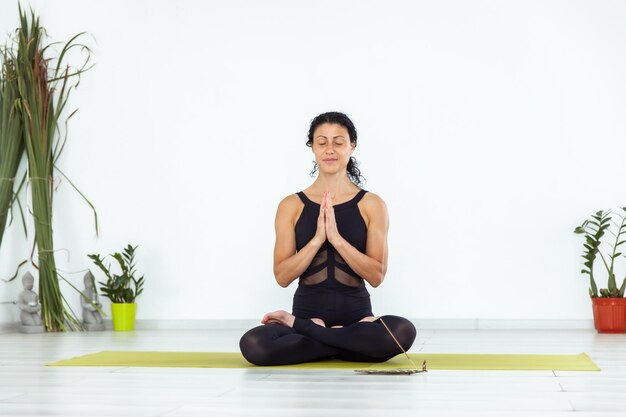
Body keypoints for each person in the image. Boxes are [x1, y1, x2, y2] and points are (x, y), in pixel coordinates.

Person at [239, 112, 416, 366]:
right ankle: (342, 343)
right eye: (322, 142)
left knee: (403, 331)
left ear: (352, 146)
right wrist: (316, 240)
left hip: (355, 318)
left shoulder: (372, 204)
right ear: (312, 147)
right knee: (253, 344)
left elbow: (376, 276)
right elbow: (282, 276)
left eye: (338, 142)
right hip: (314, 316)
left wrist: (336, 239)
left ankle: (315, 337)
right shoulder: (291, 205)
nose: (329, 149)